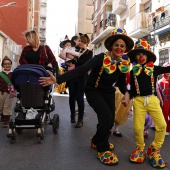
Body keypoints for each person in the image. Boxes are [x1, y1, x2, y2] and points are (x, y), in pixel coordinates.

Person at [39, 28, 134, 165]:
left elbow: (122, 84)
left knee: (110, 119)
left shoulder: (123, 63)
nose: (119, 48)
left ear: (125, 48)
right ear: (111, 46)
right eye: (117, 45)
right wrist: (58, 79)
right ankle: (102, 149)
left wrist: (126, 95)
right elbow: (81, 69)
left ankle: (96, 140)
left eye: (122, 46)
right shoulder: (100, 58)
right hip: (93, 91)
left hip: (108, 92)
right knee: (105, 117)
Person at [127, 38, 170, 169]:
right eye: (138, 54)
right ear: (135, 56)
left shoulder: (154, 69)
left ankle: (154, 148)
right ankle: (140, 148)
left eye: (144, 54)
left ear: (148, 56)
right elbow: (132, 90)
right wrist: (127, 97)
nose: (141, 56)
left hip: (152, 100)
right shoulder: (132, 72)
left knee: (162, 125)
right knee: (137, 128)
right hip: (139, 101)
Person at [66, 34, 92, 127]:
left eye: (81, 41)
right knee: (71, 97)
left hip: (81, 78)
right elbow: (69, 61)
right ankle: (72, 115)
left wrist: (74, 59)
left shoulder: (89, 53)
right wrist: (69, 61)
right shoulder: (75, 50)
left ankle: (80, 120)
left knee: (80, 98)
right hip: (72, 76)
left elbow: (84, 64)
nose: (79, 42)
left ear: (86, 42)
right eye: (79, 41)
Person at [0, 56, 14, 128]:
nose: (7, 65)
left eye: (9, 64)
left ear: (11, 65)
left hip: (10, 93)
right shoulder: (0, 74)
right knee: (1, 107)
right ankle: (2, 117)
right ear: (2, 66)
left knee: (7, 107)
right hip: (1, 93)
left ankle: (6, 120)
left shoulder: (13, 74)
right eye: (5, 64)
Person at [157, 62, 170, 136]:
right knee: (164, 115)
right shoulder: (160, 82)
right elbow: (159, 94)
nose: (168, 73)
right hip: (164, 102)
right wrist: (160, 102)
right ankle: (165, 129)